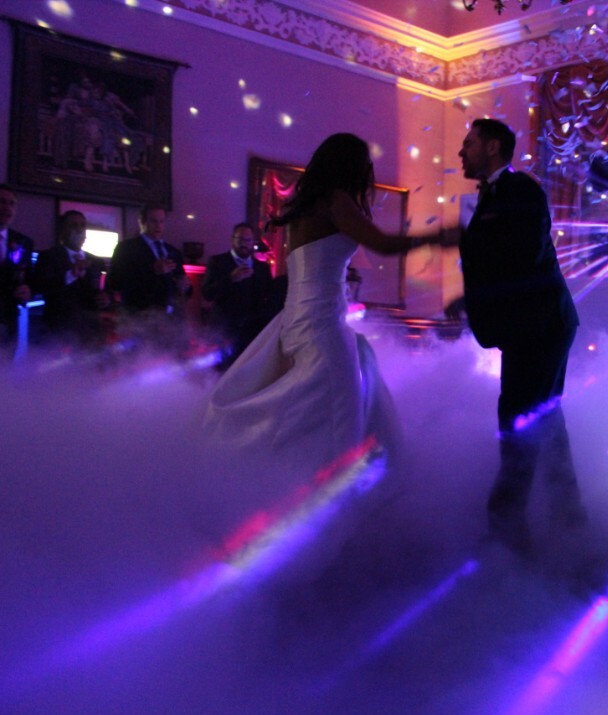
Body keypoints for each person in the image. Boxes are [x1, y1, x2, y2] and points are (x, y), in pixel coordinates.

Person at [202, 133, 433, 476]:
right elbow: (383, 243)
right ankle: (334, 504)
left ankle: (284, 483)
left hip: (296, 320)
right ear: (351, 166)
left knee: (318, 408)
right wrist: (438, 236)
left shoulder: (305, 205)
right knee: (343, 416)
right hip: (322, 326)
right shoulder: (336, 201)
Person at [458, 118, 585, 555]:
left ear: (492, 147)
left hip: (542, 325)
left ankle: (507, 530)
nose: (461, 151)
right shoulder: (496, 194)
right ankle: (569, 520)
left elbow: (521, 255)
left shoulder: (522, 191)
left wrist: (468, 260)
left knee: (519, 418)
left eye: (469, 143)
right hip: (530, 325)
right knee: (542, 417)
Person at [201, 222, 275, 368]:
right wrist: (231, 279)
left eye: (248, 240)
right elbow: (207, 294)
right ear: (232, 239)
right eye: (240, 239)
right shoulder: (218, 262)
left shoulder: (262, 267)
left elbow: (269, 296)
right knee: (222, 370)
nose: (244, 244)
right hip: (224, 330)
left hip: (252, 331)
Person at [33, 209, 111, 345]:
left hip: (90, 331)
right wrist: (71, 275)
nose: (79, 230)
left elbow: (105, 288)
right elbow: (41, 286)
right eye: (74, 225)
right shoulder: (49, 256)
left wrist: (107, 298)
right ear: (62, 231)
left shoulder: (96, 261)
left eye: (82, 225)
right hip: (58, 331)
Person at [109, 205, 191, 315]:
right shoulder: (127, 248)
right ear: (141, 222)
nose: (158, 225)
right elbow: (115, 282)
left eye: (161, 221)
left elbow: (182, 285)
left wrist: (185, 286)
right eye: (154, 221)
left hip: (171, 318)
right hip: (139, 315)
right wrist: (152, 270)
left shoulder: (173, 251)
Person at [0, 184, 35, 339]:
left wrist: (28, 291)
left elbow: (29, 278)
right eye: (1, 202)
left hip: (8, 322)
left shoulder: (24, 242)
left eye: (12, 203)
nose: (7, 208)